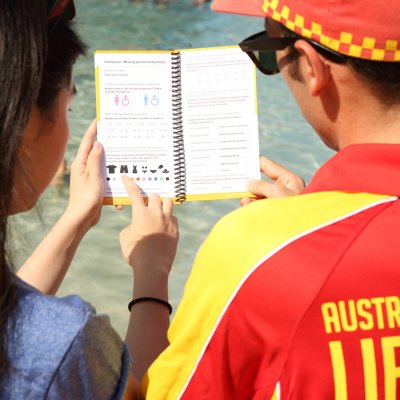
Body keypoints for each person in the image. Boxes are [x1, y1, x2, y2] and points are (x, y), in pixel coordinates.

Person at [124, 0, 400, 398]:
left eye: (268, 53)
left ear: (310, 66)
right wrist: (315, 229)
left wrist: (150, 274)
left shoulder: (257, 252)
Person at [0, 0, 178, 398]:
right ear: (26, 121)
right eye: (69, 104)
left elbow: (14, 311)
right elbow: (142, 392)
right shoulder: (66, 344)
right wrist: (154, 269)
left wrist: (76, 218)